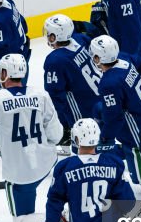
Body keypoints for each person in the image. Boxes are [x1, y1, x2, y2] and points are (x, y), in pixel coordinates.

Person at [0, 53, 63, 222]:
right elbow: (56, 135)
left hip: (19, 172)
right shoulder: (40, 95)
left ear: (4, 73)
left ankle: (59, 219)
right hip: (46, 162)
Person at [90, 35, 141, 195]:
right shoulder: (124, 59)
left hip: (138, 125)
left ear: (99, 58)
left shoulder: (109, 83)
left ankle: (134, 152)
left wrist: (105, 138)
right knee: (98, 108)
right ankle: (124, 151)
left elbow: (115, 117)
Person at [42, 13, 101, 147]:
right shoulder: (80, 38)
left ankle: (73, 139)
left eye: (49, 33)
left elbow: (55, 96)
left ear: (54, 36)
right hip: (99, 97)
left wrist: (58, 125)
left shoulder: (55, 60)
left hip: (84, 108)